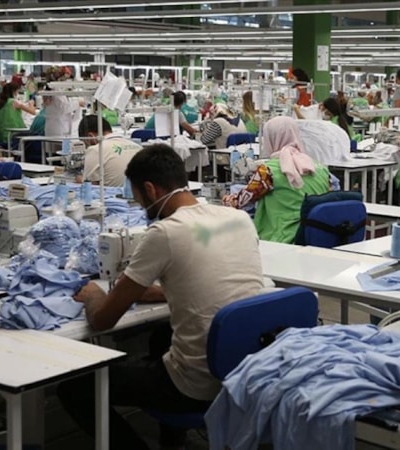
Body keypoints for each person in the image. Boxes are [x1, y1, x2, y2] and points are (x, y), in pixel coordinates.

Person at [58, 144, 264, 450]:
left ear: (150, 189)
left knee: (75, 388)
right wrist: (148, 291)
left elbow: (103, 320)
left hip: (196, 385)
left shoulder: (165, 233)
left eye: (138, 198)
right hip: (244, 370)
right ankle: (173, 442)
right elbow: (202, 280)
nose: (140, 206)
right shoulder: (237, 218)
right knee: (159, 338)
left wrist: (92, 294)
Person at [223, 116, 331, 243]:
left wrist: (226, 198)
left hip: (283, 239)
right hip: (317, 235)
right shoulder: (319, 167)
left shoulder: (267, 171)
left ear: (270, 139)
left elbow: (239, 202)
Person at [77, 115, 143, 186]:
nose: (86, 146)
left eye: (85, 143)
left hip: (113, 192)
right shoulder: (139, 147)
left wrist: (80, 180)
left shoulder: (96, 150)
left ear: (90, 136)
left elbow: (90, 186)